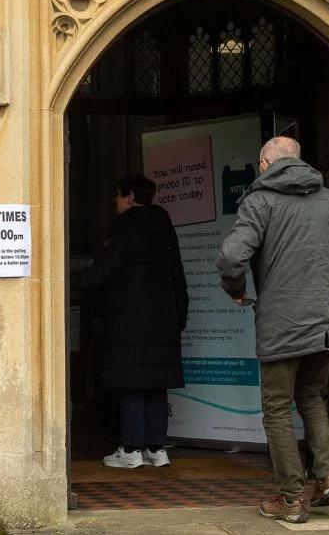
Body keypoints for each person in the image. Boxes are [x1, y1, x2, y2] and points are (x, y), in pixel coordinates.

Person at [216, 136, 329, 524]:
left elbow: (232, 256)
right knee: (312, 396)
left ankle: (290, 500)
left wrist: (237, 291)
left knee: (276, 409)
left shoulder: (260, 201)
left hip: (282, 323)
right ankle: (327, 478)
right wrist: (326, 281)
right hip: (325, 322)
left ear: (264, 164)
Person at [74, 174, 189, 469]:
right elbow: (177, 272)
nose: (114, 201)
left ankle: (131, 449)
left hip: (131, 318)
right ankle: (156, 448)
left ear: (128, 196)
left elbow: (106, 269)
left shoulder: (125, 225)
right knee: (156, 383)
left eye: (117, 195)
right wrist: (180, 314)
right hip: (164, 317)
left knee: (132, 381)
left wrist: (72, 283)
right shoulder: (164, 227)